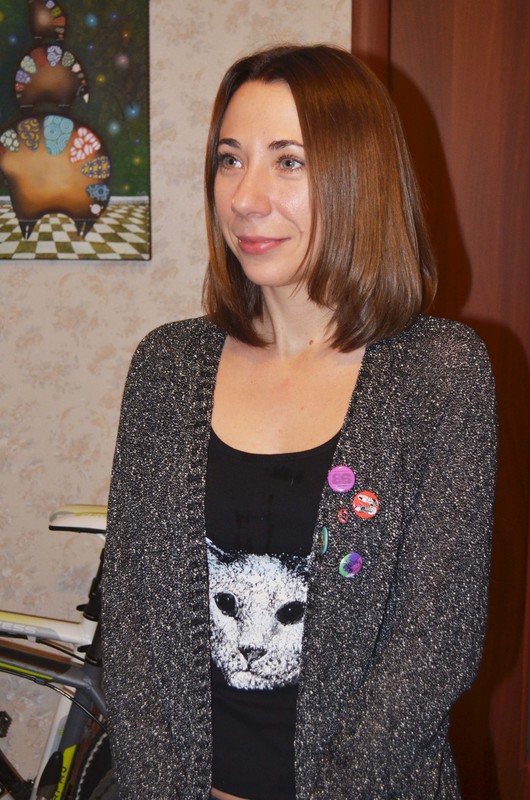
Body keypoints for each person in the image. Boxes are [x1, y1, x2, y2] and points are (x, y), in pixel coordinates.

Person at [101, 44, 497, 800]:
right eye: (230, 159)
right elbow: (128, 613)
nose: (246, 198)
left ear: (358, 176)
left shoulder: (440, 374)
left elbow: (435, 643)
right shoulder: (166, 366)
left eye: (289, 162)